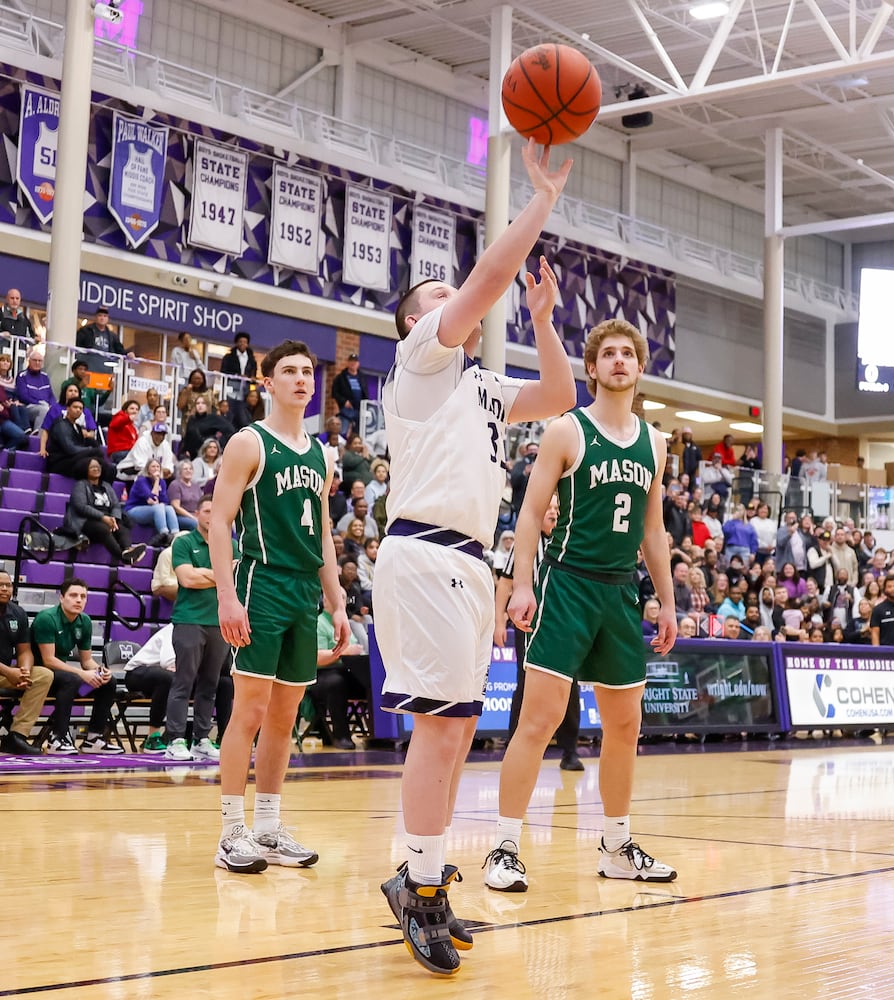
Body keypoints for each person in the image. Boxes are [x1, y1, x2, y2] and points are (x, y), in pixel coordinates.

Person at [374, 139, 576, 977]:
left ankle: (420, 874)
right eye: (437, 295)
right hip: (422, 552)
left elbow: (560, 398)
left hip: (467, 563)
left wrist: (542, 323)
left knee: (456, 733)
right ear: (419, 319)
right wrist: (541, 202)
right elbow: (487, 277)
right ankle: (417, 885)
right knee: (443, 726)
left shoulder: (481, 387)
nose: (452, 298)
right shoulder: (422, 359)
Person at [492, 315, 679, 904]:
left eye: (629, 353)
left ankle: (617, 847)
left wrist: (667, 600)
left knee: (625, 727)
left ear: (640, 368)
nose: (620, 361)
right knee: (539, 721)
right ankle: (504, 846)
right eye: (609, 355)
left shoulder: (655, 442)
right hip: (566, 583)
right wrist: (522, 585)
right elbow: (528, 515)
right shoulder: (565, 431)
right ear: (592, 368)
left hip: (621, 594)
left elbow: (653, 531)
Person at [210, 339, 349, 876]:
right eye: (288, 370)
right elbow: (220, 522)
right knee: (249, 710)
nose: (300, 378)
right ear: (267, 383)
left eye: (307, 370)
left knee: (286, 716)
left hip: (303, 594)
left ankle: (267, 827)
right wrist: (227, 595)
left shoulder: (322, 453)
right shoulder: (249, 443)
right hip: (259, 582)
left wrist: (335, 603)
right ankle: (230, 833)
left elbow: (324, 537)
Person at [495, 496, 583, 771]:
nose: (554, 512)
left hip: (566, 623)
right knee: (525, 683)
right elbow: (505, 584)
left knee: (570, 686)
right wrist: (499, 622)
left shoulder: (573, 542)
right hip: (530, 623)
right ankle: (513, 745)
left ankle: (569, 751)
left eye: (558, 508)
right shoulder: (526, 544)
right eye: (549, 508)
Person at [156, 496, 231, 761]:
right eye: (208, 511)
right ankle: (175, 739)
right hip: (189, 620)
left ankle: (201, 739)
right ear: (197, 513)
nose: (212, 516)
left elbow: (239, 577)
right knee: (183, 681)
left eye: (217, 510)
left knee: (210, 685)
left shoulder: (231, 545)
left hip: (220, 623)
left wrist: (206, 575)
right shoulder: (185, 542)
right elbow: (186, 579)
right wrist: (223, 574)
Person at [34, 578, 123, 754]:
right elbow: (48, 660)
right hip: (39, 673)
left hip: (62, 675)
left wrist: (99, 670)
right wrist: (82, 674)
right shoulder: (47, 618)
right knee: (72, 679)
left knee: (109, 682)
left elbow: (86, 661)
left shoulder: (85, 621)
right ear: (61, 597)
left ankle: (94, 738)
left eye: (83, 596)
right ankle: (57, 738)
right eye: (73, 595)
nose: (79, 600)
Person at [0, 572, 51, 755]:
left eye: (8, 585)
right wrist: (9, 673)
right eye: (0, 585)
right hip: (4, 672)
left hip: (5, 674)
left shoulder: (18, 613)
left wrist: (25, 671)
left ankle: (17, 736)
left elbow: (24, 650)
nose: (5, 589)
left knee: (44, 675)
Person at [60, 458, 145, 564]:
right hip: (87, 522)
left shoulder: (106, 486)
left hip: (108, 519)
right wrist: (103, 517)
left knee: (123, 529)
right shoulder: (80, 485)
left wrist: (114, 518)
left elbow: (116, 505)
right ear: (85, 470)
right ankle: (124, 558)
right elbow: (81, 507)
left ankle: (128, 550)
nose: (96, 469)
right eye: (92, 467)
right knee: (103, 528)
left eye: (98, 466)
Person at [309, 607, 369, 750]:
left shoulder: (345, 624)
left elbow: (355, 648)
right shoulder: (319, 623)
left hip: (348, 669)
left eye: (344, 598)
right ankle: (341, 736)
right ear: (325, 601)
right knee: (336, 683)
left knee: (370, 680)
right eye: (339, 597)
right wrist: (343, 652)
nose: (342, 601)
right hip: (321, 674)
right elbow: (315, 658)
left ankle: (378, 736)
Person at [121, 624, 176, 753]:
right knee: (168, 678)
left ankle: (182, 736)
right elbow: (168, 662)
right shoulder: (174, 628)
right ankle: (152, 737)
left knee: (218, 682)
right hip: (137, 673)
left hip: (163, 675)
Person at [125, 457, 180, 547]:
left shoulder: (162, 482)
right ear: (148, 469)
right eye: (153, 467)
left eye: (158, 467)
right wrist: (156, 481)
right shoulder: (141, 480)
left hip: (153, 509)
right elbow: (153, 497)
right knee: (159, 507)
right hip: (134, 510)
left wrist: (156, 501)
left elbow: (165, 500)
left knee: (169, 508)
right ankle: (164, 534)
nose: (156, 469)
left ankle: (175, 534)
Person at [14, 349, 54, 431]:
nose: (37, 363)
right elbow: (23, 396)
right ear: (29, 361)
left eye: (40, 361)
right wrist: (40, 403)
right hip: (29, 407)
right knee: (43, 409)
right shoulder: (22, 376)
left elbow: (51, 395)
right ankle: (37, 437)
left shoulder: (45, 376)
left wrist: (52, 405)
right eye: (35, 360)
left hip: (45, 405)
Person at [331, 353, 367, 430]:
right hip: (346, 410)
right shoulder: (341, 377)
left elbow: (365, 393)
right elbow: (335, 393)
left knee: (359, 432)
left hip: (359, 409)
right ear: (347, 363)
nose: (353, 363)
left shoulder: (362, 377)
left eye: (355, 361)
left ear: (358, 364)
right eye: (351, 361)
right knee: (344, 430)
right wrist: (344, 402)